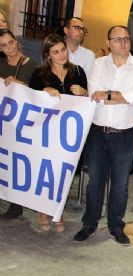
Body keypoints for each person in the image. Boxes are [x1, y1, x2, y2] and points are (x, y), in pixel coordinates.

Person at [72, 25, 133, 246]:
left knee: (119, 184)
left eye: (126, 39)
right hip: (98, 133)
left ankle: (116, 226)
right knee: (94, 182)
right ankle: (89, 224)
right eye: (117, 39)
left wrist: (109, 94)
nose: (122, 43)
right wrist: (119, 96)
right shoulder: (98, 64)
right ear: (108, 43)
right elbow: (94, 93)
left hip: (125, 135)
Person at [29, 34, 88, 233]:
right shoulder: (39, 74)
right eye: (56, 52)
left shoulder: (78, 71)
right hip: (46, 132)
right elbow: (30, 101)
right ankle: (45, 211)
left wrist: (84, 92)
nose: (62, 54)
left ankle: (57, 209)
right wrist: (44, 89)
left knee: (63, 174)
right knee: (46, 171)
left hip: (69, 134)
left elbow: (89, 101)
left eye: (63, 50)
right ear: (48, 55)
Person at [0, 28, 39, 220]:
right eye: (3, 45)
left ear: (16, 42)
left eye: (11, 43)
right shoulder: (0, 65)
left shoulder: (32, 65)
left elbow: (39, 92)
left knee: (16, 163)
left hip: (22, 123)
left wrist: (19, 84)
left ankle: (16, 205)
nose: (9, 48)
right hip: (3, 122)